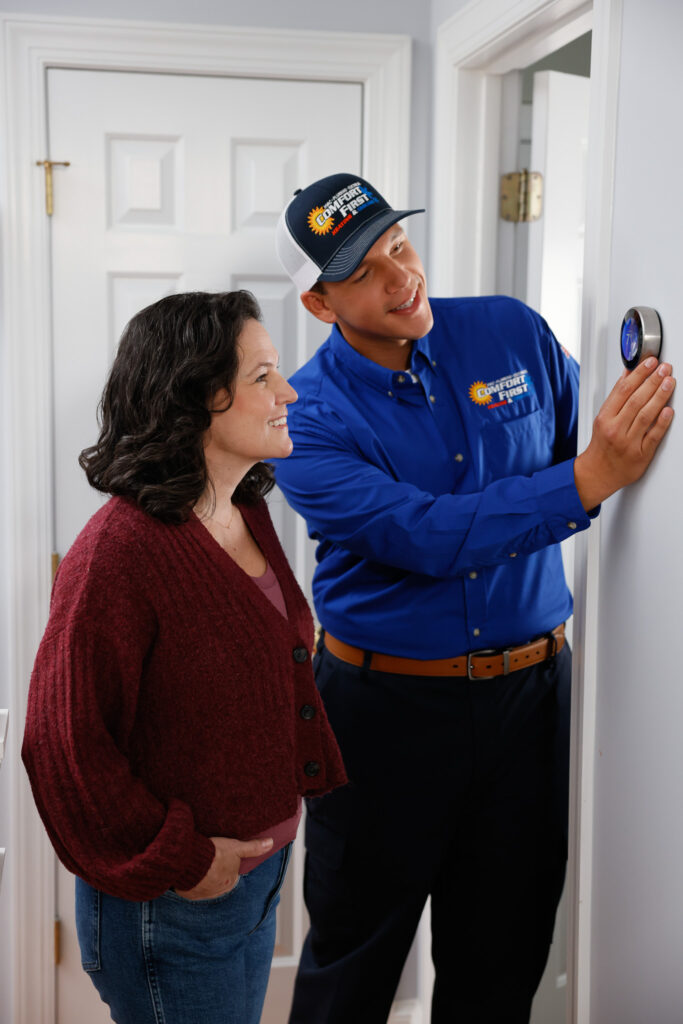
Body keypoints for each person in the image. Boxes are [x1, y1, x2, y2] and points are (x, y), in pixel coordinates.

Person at [272, 173, 675, 1023]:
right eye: (365, 271)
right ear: (318, 304)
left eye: (399, 246)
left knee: (503, 955)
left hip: (530, 703)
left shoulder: (509, 330)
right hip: (380, 712)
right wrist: (587, 479)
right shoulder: (304, 420)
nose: (400, 276)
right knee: (352, 959)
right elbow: (423, 534)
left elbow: (587, 452)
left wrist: (592, 470)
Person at [22, 290, 347, 1024]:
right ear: (198, 396)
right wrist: (186, 860)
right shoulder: (118, 555)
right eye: (263, 375)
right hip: (171, 906)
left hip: (252, 887)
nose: (288, 390)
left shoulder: (245, 511)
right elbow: (61, 746)